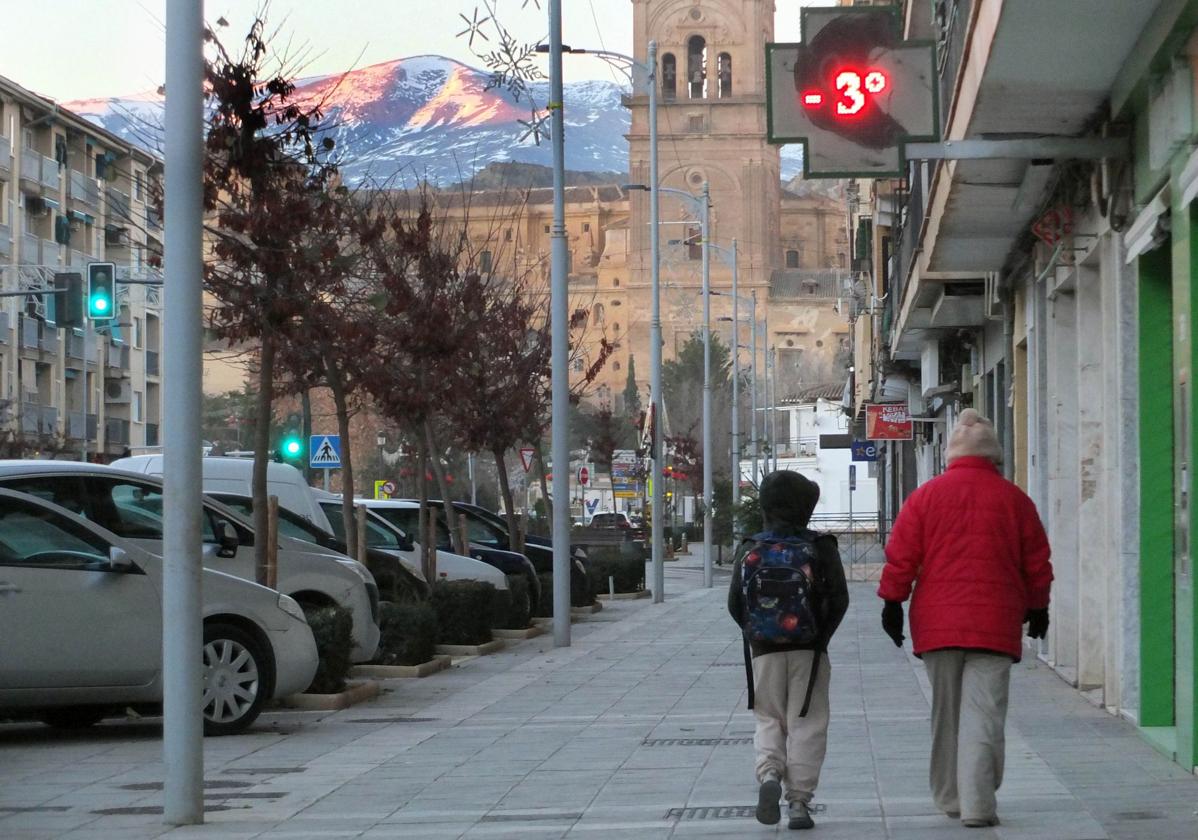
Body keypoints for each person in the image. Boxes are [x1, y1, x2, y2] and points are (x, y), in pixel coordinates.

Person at [878, 408, 1053, 829]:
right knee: (985, 714)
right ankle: (978, 804)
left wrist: (891, 602)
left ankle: (950, 797)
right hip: (995, 625)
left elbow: (902, 557)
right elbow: (1037, 562)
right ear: (993, 455)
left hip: (937, 626)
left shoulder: (925, 497)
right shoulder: (1015, 500)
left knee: (946, 715)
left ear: (952, 455)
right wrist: (1039, 607)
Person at [728, 470, 849, 830]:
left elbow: (735, 603)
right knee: (807, 722)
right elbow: (840, 599)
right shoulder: (820, 546)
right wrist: (821, 639)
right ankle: (798, 802)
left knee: (768, 717)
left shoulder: (750, 547)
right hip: (810, 651)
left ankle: (768, 776)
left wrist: (756, 633)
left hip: (763, 650)